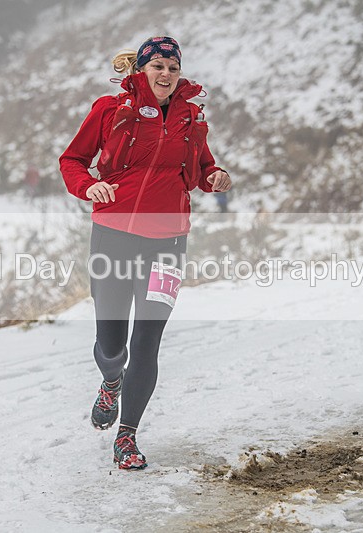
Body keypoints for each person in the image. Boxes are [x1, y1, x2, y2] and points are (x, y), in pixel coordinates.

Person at [60, 36, 231, 470]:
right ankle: (110, 380)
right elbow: (72, 160)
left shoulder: (192, 117)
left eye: (173, 67)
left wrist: (215, 176)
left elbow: (200, 168)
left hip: (169, 240)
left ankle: (127, 437)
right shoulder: (110, 109)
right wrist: (88, 185)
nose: (166, 75)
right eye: (157, 66)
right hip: (113, 234)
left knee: (147, 340)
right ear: (141, 70)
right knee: (113, 343)